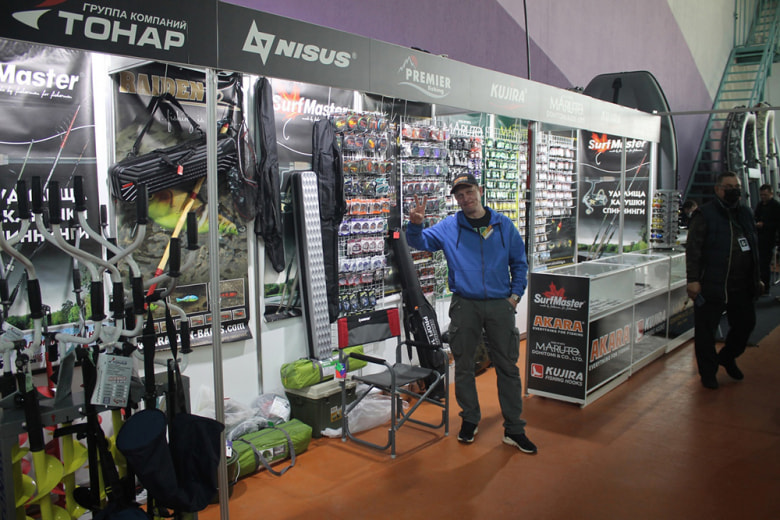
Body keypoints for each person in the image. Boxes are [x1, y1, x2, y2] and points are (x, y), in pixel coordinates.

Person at [405, 173, 536, 454]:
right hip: (465, 305)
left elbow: (519, 263)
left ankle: (514, 428)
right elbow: (420, 242)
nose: (465, 199)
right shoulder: (450, 226)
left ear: (480, 191)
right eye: (459, 195)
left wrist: (514, 297)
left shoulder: (503, 225)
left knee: (507, 367)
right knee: (463, 365)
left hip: (500, 305)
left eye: (469, 192)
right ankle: (469, 419)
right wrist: (415, 225)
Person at [685, 171, 762, 389]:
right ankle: (708, 373)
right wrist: (693, 279)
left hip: (742, 284)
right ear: (718, 189)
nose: (733, 191)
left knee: (746, 324)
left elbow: (753, 246)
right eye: (729, 187)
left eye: (736, 187)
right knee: (706, 331)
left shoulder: (745, 213)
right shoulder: (704, 214)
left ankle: (727, 357)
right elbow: (693, 249)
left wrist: (757, 277)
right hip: (712, 282)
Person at [754, 183, 780, 293]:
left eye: (765, 195)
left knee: (764, 264)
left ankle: (765, 288)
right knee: (759, 263)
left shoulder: (776, 206)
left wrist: (764, 225)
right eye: (761, 195)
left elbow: (778, 223)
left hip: (770, 238)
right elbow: (755, 216)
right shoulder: (760, 205)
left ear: (771, 194)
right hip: (759, 237)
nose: (763, 197)